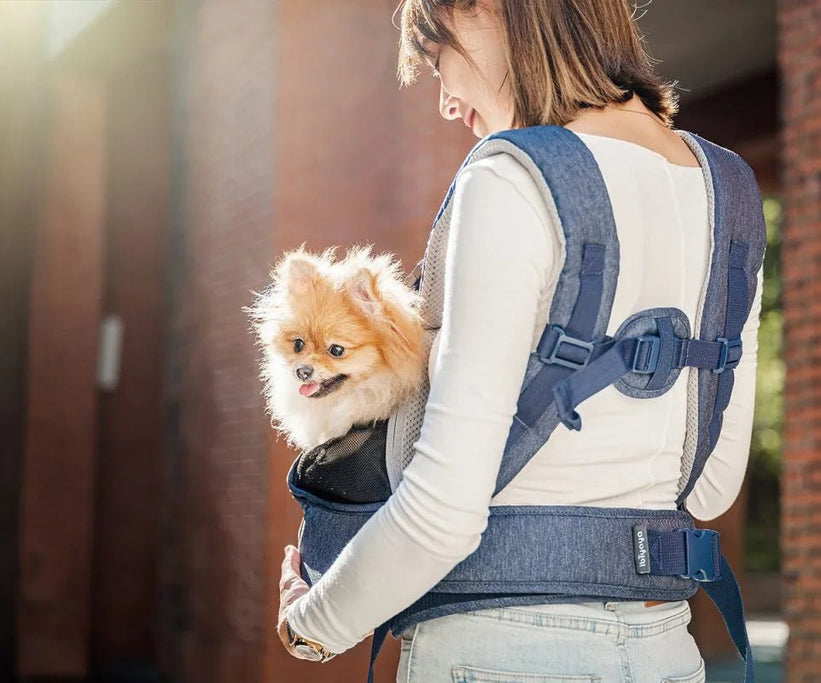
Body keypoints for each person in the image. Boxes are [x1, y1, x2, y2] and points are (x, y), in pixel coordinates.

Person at [277, 1, 764, 680]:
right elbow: (710, 488)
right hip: (664, 651)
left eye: (437, 57)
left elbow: (442, 511)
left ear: (488, 11)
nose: (446, 101)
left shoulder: (508, 178)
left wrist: (310, 626)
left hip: (499, 652)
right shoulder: (730, 190)